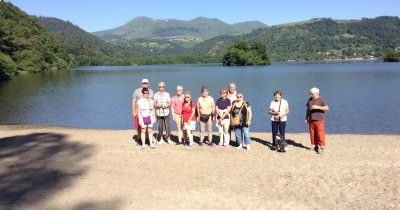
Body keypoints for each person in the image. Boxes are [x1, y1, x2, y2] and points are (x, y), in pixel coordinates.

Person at [305, 87, 330, 154]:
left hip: (319, 119)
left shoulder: (321, 100)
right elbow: (308, 109)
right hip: (311, 119)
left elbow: (327, 108)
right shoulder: (310, 100)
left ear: (316, 93)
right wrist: (306, 117)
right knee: (312, 133)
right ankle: (314, 145)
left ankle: (321, 147)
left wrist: (318, 107)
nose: (311, 95)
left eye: (312, 94)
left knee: (320, 133)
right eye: (310, 94)